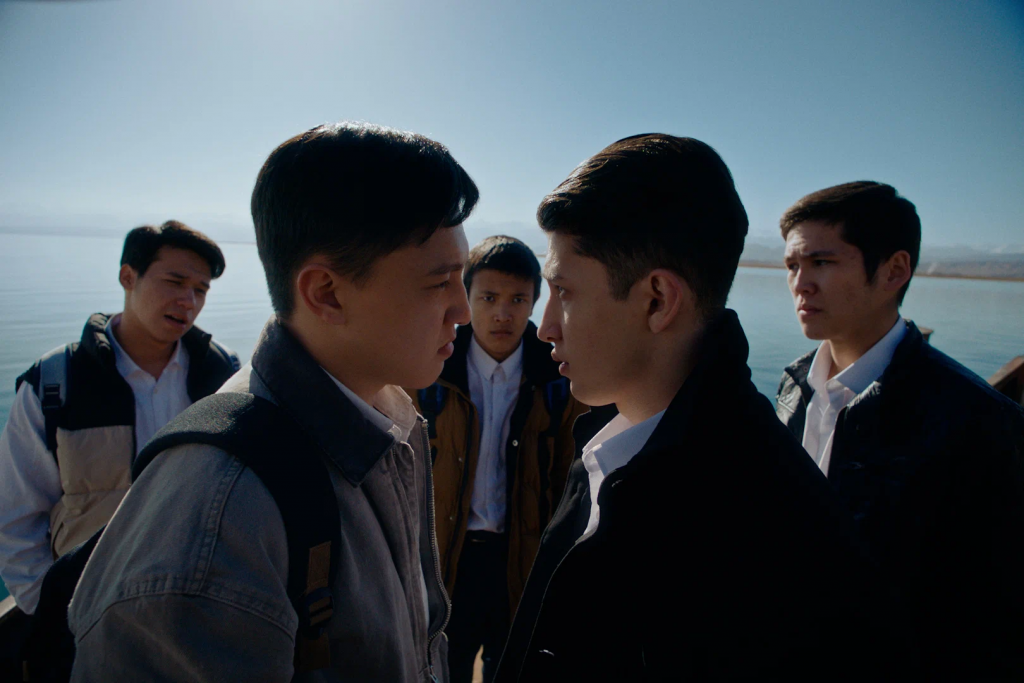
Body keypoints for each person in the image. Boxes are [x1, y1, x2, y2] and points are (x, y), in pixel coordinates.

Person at [65, 122, 478, 682]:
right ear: (326, 293)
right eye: (439, 283)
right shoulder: (218, 530)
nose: (464, 311)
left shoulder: (388, 415)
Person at [495, 134, 905, 682]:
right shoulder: (610, 445)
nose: (544, 327)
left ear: (658, 300)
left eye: (563, 292)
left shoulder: (756, 535)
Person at [775, 181, 1024, 679]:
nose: (800, 283)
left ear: (894, 271)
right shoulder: (793, 386)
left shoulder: (980, 423)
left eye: (821, 262)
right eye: (792, 266)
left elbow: (991, 616)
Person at [0, 221, 238, 615]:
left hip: (195, 607)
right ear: (128, 277)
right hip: (86, 609)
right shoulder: (56, 382)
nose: (189, 301)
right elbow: (16, 519)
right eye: (175, 282)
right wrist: (50, 614)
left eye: (201, 290)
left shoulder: (224, 376)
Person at [410, 235, 586, 683]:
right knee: (441, 666)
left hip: (521, 559)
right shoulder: (429, 368)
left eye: (517, 299)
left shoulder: (560, 377)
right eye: (488, 298)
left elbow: (572, 478)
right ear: (466, 298)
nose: (503, 314)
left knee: (509, 668)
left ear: (535, 302)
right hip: (447, 558)